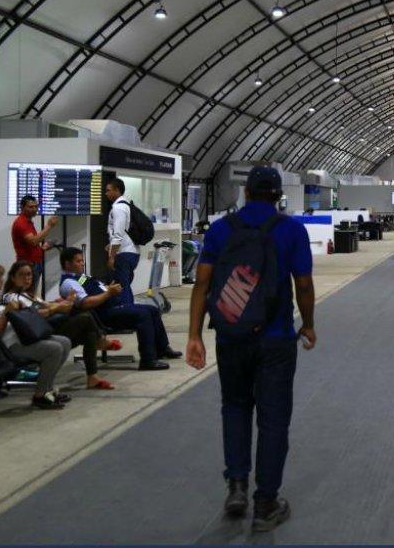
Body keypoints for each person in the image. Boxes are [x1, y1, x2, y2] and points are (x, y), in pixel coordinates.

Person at [186, 166, 316, 531]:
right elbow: (303, 283)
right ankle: (266, 504)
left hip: (230, 336)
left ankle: (237, 487)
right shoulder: (290, 230)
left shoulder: (221, 229)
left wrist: (194, 335)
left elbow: (202, 283)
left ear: (245, 193)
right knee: (274, 420)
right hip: (275, 338)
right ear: (277, 195)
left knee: (235, 407)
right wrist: (307, 323)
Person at [0, 262, 71, 410]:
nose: (2, 281)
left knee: (64, 342)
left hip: (18, 339)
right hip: (6, 347)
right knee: (54, 349)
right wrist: (7, 313)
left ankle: (48, 389)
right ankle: (40, 395)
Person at [2, 260, 117, 390]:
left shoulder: (29, 295)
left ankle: (92, 377)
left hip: (42, 332)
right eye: (22, 275)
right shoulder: (11, 298)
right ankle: (100, 339)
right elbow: (29, 318)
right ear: (12, 277)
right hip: (29, 338)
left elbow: (49, 307)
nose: (27, 278)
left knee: (88, 332)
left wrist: (65, 303)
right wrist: (55, 308)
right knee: (85, 317)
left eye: (29, 275)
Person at [59, 247, 178, 371]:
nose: (82, 263)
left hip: (112, 306)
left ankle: (162, 349)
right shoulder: (69, 283)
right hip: (102, 316)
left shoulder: (81, 277)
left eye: (82, 260)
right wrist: (108, 293)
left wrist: (107, 288)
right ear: (67, 264)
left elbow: (94, 287)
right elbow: (85, 303)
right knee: (143, 315)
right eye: (78, 261)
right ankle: (148, 360)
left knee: (152, 310)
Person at [104, 178, 141, 306]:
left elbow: (118, 235)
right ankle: (129, 312)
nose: (106, 193)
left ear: (117, 190)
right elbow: (124, 232)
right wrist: (110, 245)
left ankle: (128, 314)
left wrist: (112, 256)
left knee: (121, 287)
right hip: (132, 252)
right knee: (124, 285)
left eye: (108, 190)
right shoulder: (126, 206)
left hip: (124, 254)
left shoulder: (118, 208)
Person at [11, 195, 59, 293]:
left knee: (31, 292)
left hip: (34, 263)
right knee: (27, 293)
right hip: (28, 265)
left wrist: (42, 248)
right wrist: (49, 226)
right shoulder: (21, 223)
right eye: (31, 207)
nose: (34, 209)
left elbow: (31, 243)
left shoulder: (28, 222)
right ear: (22, 207)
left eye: (36, 206)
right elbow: (33, 241)